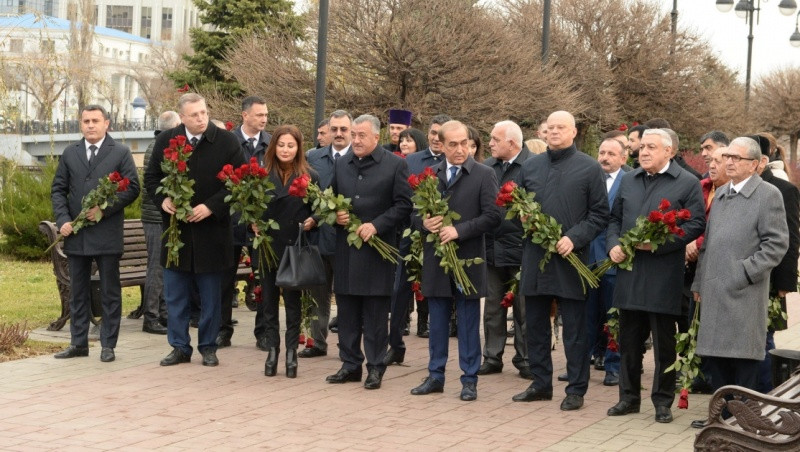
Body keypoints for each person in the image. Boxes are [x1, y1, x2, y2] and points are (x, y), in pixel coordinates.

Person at [511, 111, 609, 411]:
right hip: (535, 257)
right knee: (536, 325)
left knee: (575, 330)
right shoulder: (530, 166)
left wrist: (575, 237)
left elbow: (600, 214)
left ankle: (576, 389)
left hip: (571, 259)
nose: (554, 132)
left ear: (574, 131)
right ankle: (541, 383)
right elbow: (517, 206)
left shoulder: (590, 168)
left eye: (560, 127)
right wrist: (522, 218)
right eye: (550, 127)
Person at [605, 129, 705, 424]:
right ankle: (628, 398)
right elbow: (613, 219)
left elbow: (697, 223)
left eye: (651, 147)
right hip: (630, 273)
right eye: (642, 147)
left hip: (663, 275)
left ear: (669, 152)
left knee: (664, 345)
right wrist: (613, 245)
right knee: (629, 341)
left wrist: (658, 244)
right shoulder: (629, 178)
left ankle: (662, 402)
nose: (643, 151)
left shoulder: (686, 182)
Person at [144, 93, 245, 367]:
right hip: (177, 232)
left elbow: (238, 181)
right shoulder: (167, 141)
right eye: (194, 115)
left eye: (203, 112)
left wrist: (212, 207)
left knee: (211, 296)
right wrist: (162, 199)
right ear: (183, 118)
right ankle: (179, 347)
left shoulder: (226, 140)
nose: (201, 118)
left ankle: (208, 346)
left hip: (212, 232)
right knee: (175, 294)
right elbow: (152, 177)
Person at [410, 120, 501, 401]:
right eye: (453, 144)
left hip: (468, 259)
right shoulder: (430, 175)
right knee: (436, 321)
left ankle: (469, 379)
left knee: (467, 321)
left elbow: (493, 216)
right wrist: (424, 223)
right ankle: (435, 375)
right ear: (441, 144)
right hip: (437, 261)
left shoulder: (484, 175)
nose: (460, 149)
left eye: (464, 143)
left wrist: (459, 230)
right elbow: (412, 214)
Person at [692, 137, 788, 395]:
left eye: (737, 158)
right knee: (718, 362)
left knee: (743, 364)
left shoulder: (768, 195)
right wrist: (699, 282)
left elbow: (776, 245)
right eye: (728, 157)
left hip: (743, 294)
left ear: (754, 164)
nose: (729, 162)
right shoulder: (722, 192)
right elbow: (708, 244)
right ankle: (722, 419)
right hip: (714, 292)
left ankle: (742, 423)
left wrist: (744, 272)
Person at [326, 114, 412, 389]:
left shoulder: (395, 165)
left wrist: (376, 225)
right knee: (348, 311)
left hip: (377, 251)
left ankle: (375, 367)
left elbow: (403, 206)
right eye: (354, 134)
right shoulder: (342, 164)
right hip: (347, 250)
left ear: (377, 137)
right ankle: (350, 363)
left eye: (362, 135)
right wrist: (335, 215)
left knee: (375, 315)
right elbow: (330, 197)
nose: (356, 140)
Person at [51, 104, 141, 362]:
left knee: (109, 292)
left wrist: (104, 209)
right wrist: (64, 219)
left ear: (106, 124)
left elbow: (133, 188)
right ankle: (78, 343)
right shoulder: (70, 153)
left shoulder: (121, 152)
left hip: (107, 233)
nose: (90, 125)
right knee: (78, 291)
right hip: (76, 235)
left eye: (95, 120)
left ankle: (108, 345)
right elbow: (58, 190)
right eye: (86, 121)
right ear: (81, 124)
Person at [259, 125, 317, 378]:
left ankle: (292, 353)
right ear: (274, 147)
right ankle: (272, 351)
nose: (285, 150)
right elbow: (244, 208)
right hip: (268, 247)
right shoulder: (261, 175)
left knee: (293, 303)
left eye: (290, 146)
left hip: (294, 248)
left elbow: (319, 209)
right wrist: (252, 222)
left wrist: (313, 220)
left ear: (298, 148)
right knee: (269, 302)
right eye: (281, 145)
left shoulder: (309, 175)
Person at [478, 120, 531, 379]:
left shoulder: (532, 166)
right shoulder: (487, 167)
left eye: (495, 140)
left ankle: (526, 358)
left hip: (522, 250)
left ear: (512, 143)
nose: (489, 144)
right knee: (492, 307)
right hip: (492, 248)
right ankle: (491, 356)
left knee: (524, 308)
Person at [218, 96, 272, 349]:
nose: (263, 119)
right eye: (259, 115)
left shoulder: (271, 144)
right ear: (245, 115)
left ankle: (263, 331)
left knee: (263, 278)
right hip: (230, 222)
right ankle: (222, 330)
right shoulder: (227, 142)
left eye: (265, 115)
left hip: (259, 225)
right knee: (224, 279)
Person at [301, 110, 353, 358]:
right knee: (317, 294)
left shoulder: (359, 157)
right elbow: (304, 195)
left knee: (346, 296)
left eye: (344, 129)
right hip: (317, 237)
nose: (339, 134)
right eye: (335, 129)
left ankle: (348, 345)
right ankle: (317, 342)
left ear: (351, 131)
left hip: (346, 238)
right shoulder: (313, 157)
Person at [751, 134, 800, 393]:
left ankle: (768, 395)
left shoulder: (784, 190)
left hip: (770, 279)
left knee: (765, 336)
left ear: (760, 161)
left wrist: (784, 283)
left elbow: (790, 239)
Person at [398, 114, 452, 341]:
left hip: (442, 232)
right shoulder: (411, 160)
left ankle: (424, 321)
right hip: (412, 227)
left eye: (442, 134)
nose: (436, 138)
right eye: (433, 133)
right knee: (406, 278)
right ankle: (401, 322)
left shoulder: (453, 162)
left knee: (430, 280)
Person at [585, 137, 629, 387]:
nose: (605, 157)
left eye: (612, 153)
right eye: (601, 152)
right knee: (586, 316)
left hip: (613, 261)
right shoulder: (590, 179)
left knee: (613, 317)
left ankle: (614, 366)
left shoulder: (629, 182)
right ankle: (582, 364)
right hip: (587, 259)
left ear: (623, 158)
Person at [140, 111, 180, 335]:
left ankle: (163, 313)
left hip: (162, 216)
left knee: (166, 266)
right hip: (156, 217)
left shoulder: (163, 146)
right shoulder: (158, 148)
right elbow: (155, 183)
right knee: (156, 267)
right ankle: (151, 316)